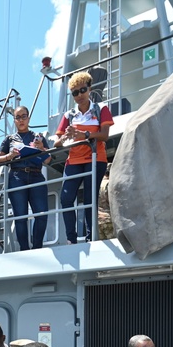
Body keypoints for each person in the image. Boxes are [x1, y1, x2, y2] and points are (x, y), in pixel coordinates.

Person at [55, 71, 113, 244]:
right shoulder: (69, 115)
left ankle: (90, 238)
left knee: (89, 199)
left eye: (82, 90)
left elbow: (104, 135)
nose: (79, 95)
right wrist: (65, 137)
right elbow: (57, 142)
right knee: (66, 198)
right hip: (74, 160)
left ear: (89, 88)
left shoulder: (101, 109)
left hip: (96, 158)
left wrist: (85, 135)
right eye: (75, 93)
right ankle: (71, 239)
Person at [0, 106, 50, 250]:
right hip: (17, 176)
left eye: (24, 116)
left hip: (36, 175)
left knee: (42, 214)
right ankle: (24, 249)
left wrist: (42, 148)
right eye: (18, 117)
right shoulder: (9, 139)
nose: (21, 120)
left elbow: (48, 160)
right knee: (20, 217)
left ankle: (37, 247)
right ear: (14, 120)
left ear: (29, 118)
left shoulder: (39, 137)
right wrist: (9, 156)